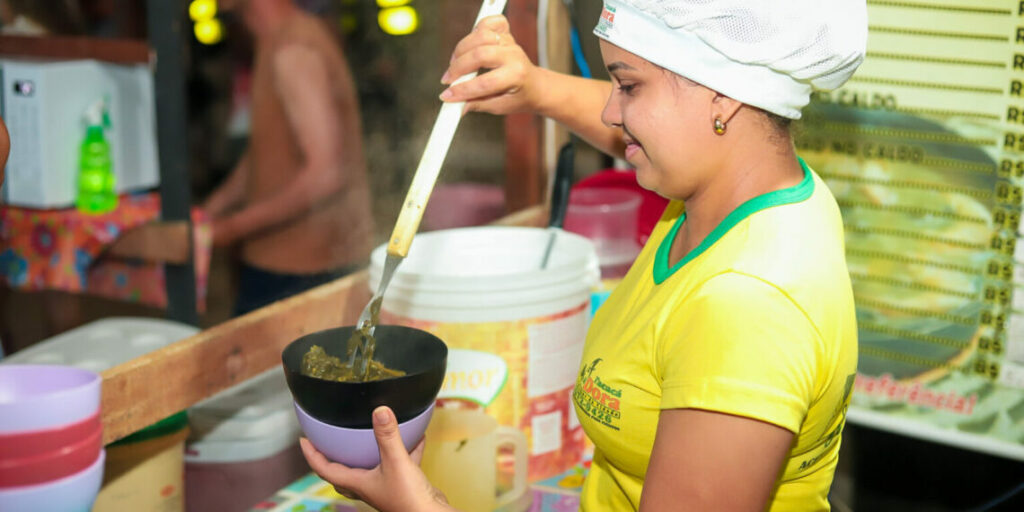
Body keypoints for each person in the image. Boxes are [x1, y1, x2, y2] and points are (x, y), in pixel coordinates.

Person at [299, 1, 865, 510]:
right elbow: (665, 116)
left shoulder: (747, 306)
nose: (610, 113)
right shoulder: (757, 193)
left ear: (723, 93)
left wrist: (418, 506)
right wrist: (534, 87)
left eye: (629, 86)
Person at [205, 0, 374, 315]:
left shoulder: (293, 47)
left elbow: (326, 174)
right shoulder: (274, 39)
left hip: (304, 272)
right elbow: (262, 150)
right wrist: (211, 211)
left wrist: (232, 228)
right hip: (280, 265)